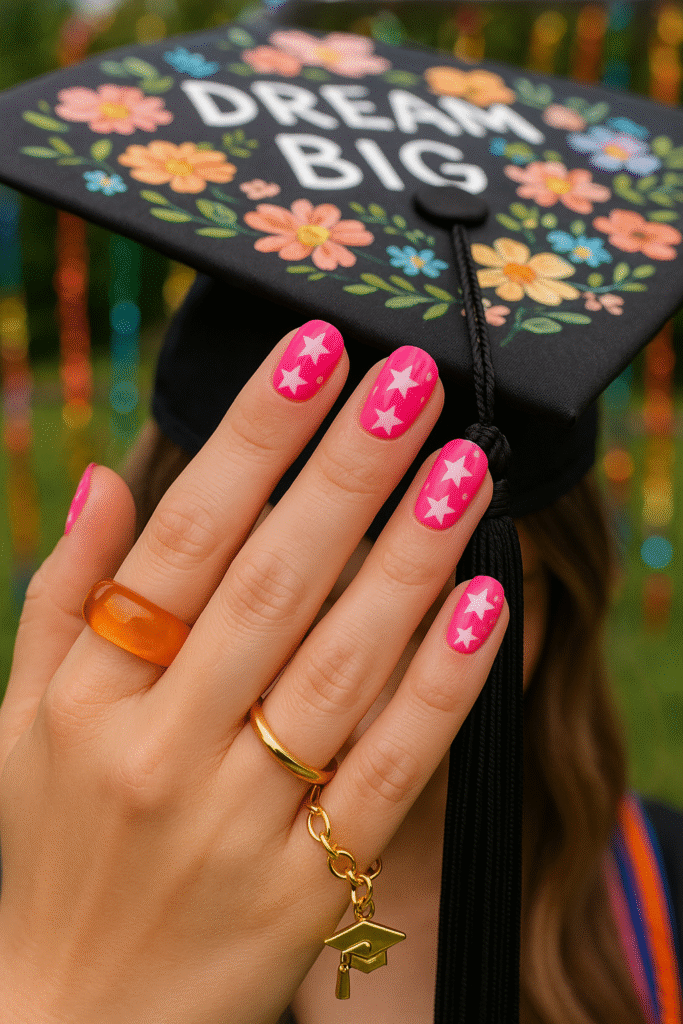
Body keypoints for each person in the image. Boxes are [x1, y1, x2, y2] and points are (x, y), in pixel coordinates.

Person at [0, 13, 680, 1024]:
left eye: (447, 601)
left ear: (561, 598)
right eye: (283, 591)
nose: (352, 692)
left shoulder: (658, 907)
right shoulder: (38, 894)